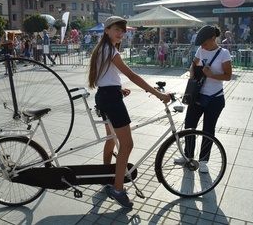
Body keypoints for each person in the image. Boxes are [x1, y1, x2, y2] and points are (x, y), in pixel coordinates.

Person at [88, 16, 171, 208]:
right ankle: (117, 189)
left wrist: (117, 89)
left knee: (111, 139)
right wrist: (158, 94)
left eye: (123, 31)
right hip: (111, 99)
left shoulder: (102, 48)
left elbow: (105, 77)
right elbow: (132, 75)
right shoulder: (109, 49)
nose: (121, 34)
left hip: (104, 95)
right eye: (116, 29)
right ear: (107, 30)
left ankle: (106, 176)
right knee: (127, 144)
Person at [174, 25, 232, 173]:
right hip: (198, 95)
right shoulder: (201, 50)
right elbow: (194, 65)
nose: (203, 47)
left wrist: (211, 75)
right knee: (189, 126)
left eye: (205, 43)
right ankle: (188, 156)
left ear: (213, 38)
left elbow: (228, 76)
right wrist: (192, 74)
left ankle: (204, 160)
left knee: (208, 129)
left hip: (215, 98)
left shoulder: (224, 54)